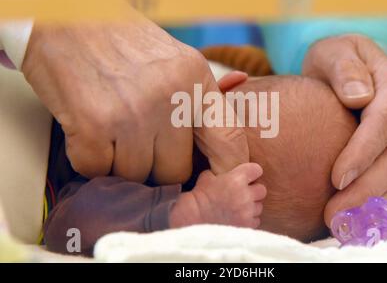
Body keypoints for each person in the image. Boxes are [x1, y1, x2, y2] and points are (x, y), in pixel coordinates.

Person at [0, 0, 387, 227]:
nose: (186, 168)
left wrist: (179, 213)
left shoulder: (157, 200)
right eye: (213, 129)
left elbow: (66, 224)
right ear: (227, 83)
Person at [44, 73, 357, 255]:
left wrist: (187, 210)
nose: (176, 157)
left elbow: (63, 228)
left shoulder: (150, 200)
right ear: (222, 86)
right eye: (207, 133)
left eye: (197, 176)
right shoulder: (160, 76)